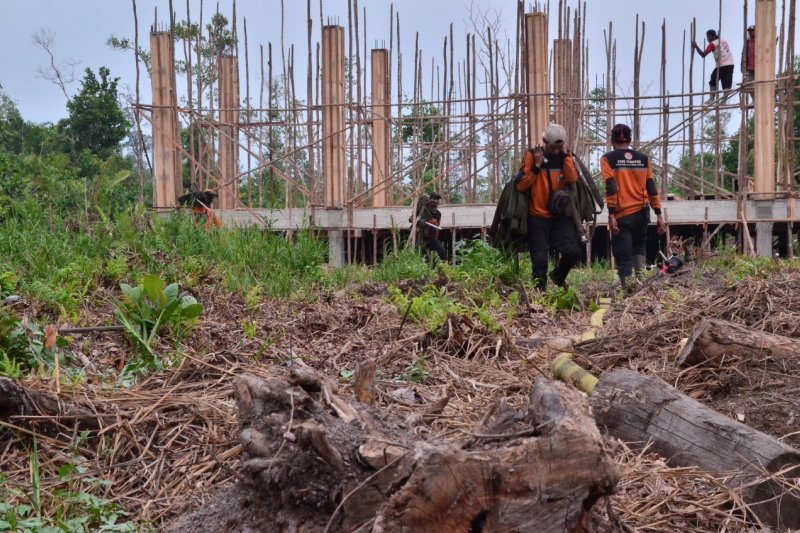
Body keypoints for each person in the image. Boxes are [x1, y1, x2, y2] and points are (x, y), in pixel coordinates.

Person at [600, 124, 667, 294]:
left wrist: (611, 214)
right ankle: (641, 286)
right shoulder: (643, 159)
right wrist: (659, 213)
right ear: (629, 140)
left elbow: (611, 186)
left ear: (612, 140)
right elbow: (651, 187)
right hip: (642, 214)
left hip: (622, 215)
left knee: (623, 252)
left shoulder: (608, 159)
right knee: (639, 247)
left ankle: (629, 290)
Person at [515, 124, 581, 291]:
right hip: (537, 216)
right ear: (544, 142)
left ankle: (557, 276)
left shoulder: (565, 156)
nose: (557, 150)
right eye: (553, 147)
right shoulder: (531, 155)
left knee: (573, 251)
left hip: (559, 216)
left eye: (560, 147)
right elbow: (521, 186)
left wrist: (566, 157)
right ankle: (540, 297)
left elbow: (572, 179)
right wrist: (537, 166)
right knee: (540, 261)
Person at [693, 29, 735, 97]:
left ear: (712, 36)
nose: (707, 39)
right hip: (730, 64)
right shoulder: (723, 41)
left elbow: (703, 55)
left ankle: (711, 98)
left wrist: (696, 46)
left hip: (722, 65)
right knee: (726, 83)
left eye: (708, 37)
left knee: (713, 80)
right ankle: (724, 100)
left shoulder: (712, 44)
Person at [413, 192, 446, 261]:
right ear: (430, 199)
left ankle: (442, 269)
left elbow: (437, 227)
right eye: (434, 199)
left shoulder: (438, 214)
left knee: (442, 252)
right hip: (420, 236)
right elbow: (411, 219)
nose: (435, 201)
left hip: (431, 237)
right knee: (419, 255)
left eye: (437, 199)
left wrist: (434, 228)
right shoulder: (422, 209)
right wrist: (419, 221)